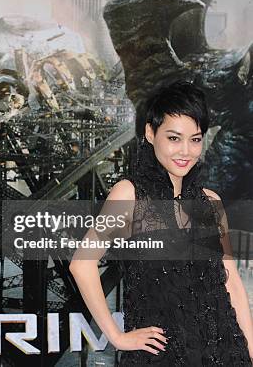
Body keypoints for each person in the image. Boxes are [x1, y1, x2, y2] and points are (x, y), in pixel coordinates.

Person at [69, 81, 253, 365]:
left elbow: (233, 285)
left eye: (195, 139)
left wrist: (250, 351)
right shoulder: (130, 194)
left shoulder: (210, 202)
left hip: (224, 350)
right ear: (150, 133)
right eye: (174, 138)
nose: (186, 151)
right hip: (162, 355)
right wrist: (117, 337)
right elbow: (82, 263)